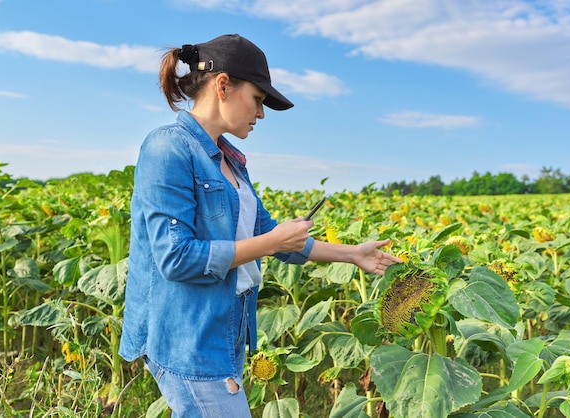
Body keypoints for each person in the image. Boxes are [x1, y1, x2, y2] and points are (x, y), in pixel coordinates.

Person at [118, 33, 401, 417]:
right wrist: (270, 243)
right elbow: (176, 258)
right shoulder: (167, 148)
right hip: (187, 337)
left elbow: (265, 232)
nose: (261, 113)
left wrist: (352, 255)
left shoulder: (230, 160)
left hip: (226, 331)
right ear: (223, 85)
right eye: (258, 99)